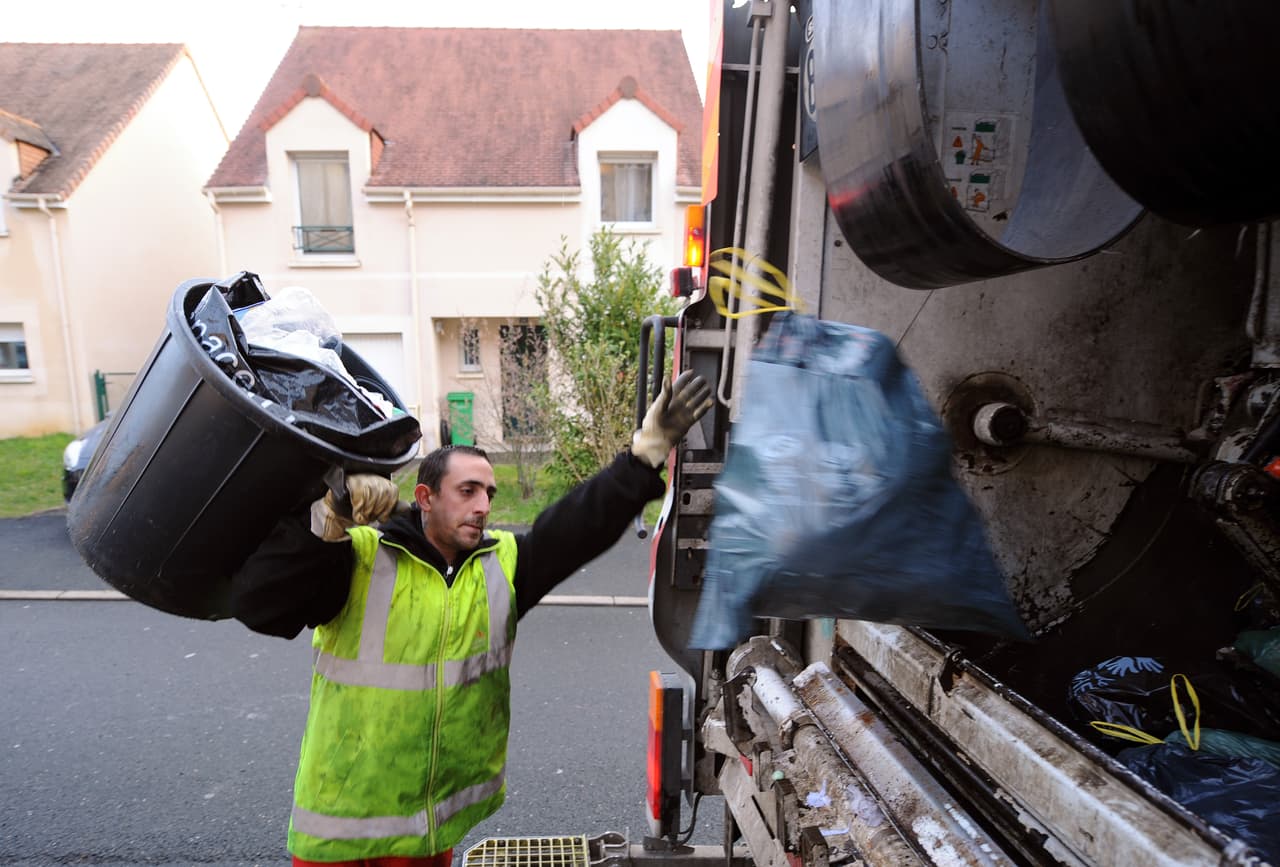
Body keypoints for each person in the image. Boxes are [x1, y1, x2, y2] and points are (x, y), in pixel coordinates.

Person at [230, 371, 713, 867]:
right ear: (425, 498)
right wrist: (320, 524)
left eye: (489, 493)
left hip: (426, 833)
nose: (483, 506)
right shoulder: (358, 558)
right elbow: (262, 604)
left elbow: (577, 524)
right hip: (339, 829)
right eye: (467, 491)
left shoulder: (501, 565)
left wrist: (646, 452)